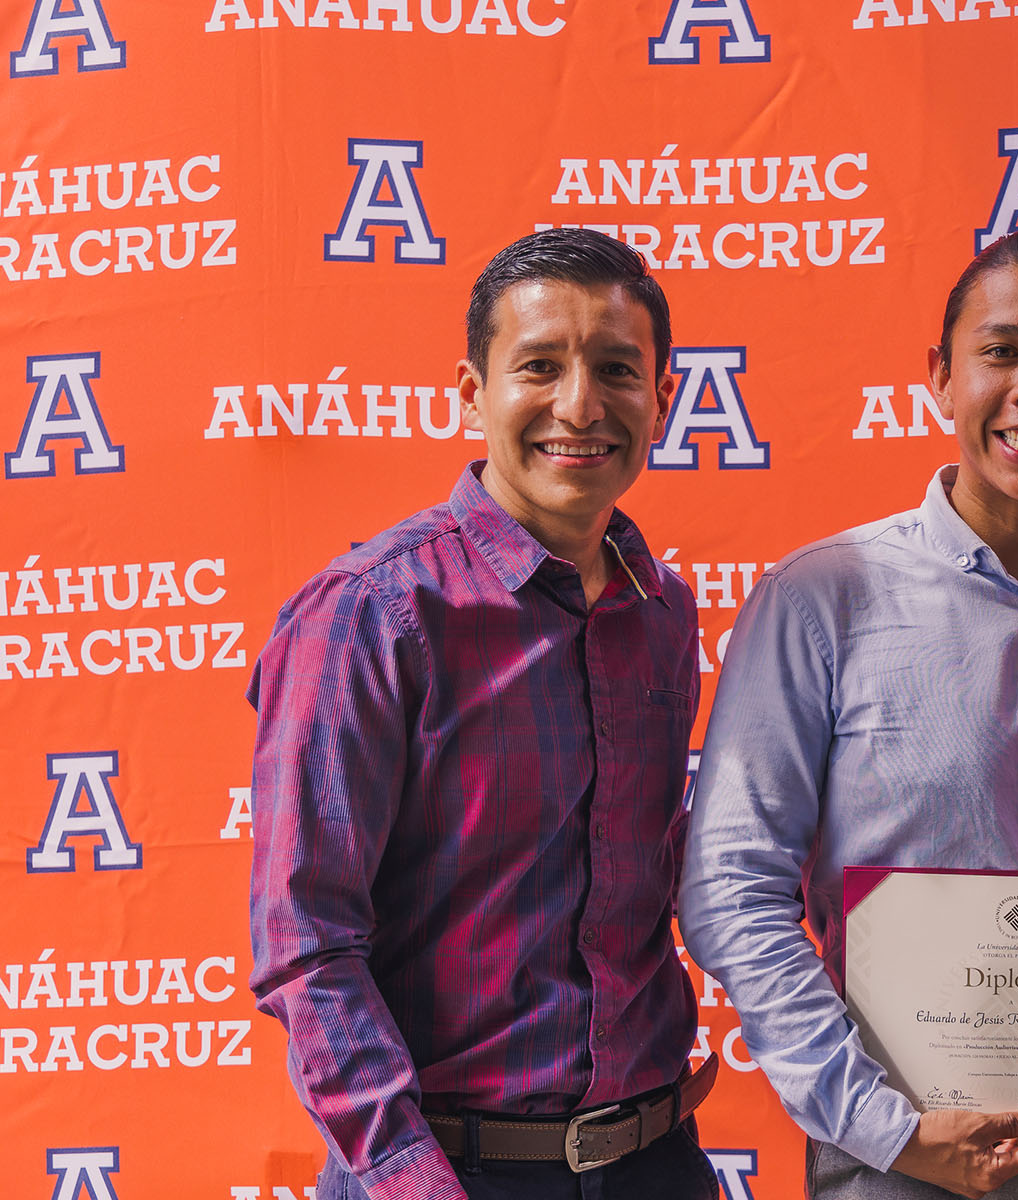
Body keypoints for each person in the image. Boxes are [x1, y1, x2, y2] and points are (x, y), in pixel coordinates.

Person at [678, 227, 1018, 1199]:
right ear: (940, 377)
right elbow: (732, 883)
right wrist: (881, 1125)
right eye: (1001, 351)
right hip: (896, 1167)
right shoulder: (821, 600)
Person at [247, 229, 719, 1200]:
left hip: (655, 1165)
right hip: (452, 1175)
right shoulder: (373, 613)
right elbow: (306, 945)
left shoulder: (662, 611)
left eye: (618, 369)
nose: (580, 405)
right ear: (471, 392)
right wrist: (413, 1183)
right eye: (539, 366)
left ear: (664, 399)